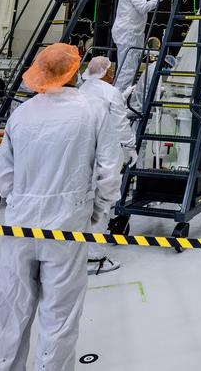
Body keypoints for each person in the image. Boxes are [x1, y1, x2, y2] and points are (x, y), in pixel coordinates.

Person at [0, 44, 122, 371]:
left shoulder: (22, 113)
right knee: (59, 316)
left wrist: (21, 201)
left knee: (8, 311)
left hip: (20, 223)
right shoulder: (93, 110)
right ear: (75, 71)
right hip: (67, 225)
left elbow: (2, 173)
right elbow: (109, 171)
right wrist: (96, 211)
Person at [78, 55, 135, 276]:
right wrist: (130, 145)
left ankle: (79, 252)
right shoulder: (110, 92)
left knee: (84, 202)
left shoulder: (82, 89)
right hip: (105, 153)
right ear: (106, 72)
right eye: (111, 70)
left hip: (83, 153)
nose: (112, 74)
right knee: (101, 204)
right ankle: (95, 258)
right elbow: (120, 124)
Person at [111, 0, 163, 96]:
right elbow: (143, 7)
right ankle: (118, 100)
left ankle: (118, 97)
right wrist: (157, 0)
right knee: (127, 70)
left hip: (130, 32)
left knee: (126, 68)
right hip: (128, 33)